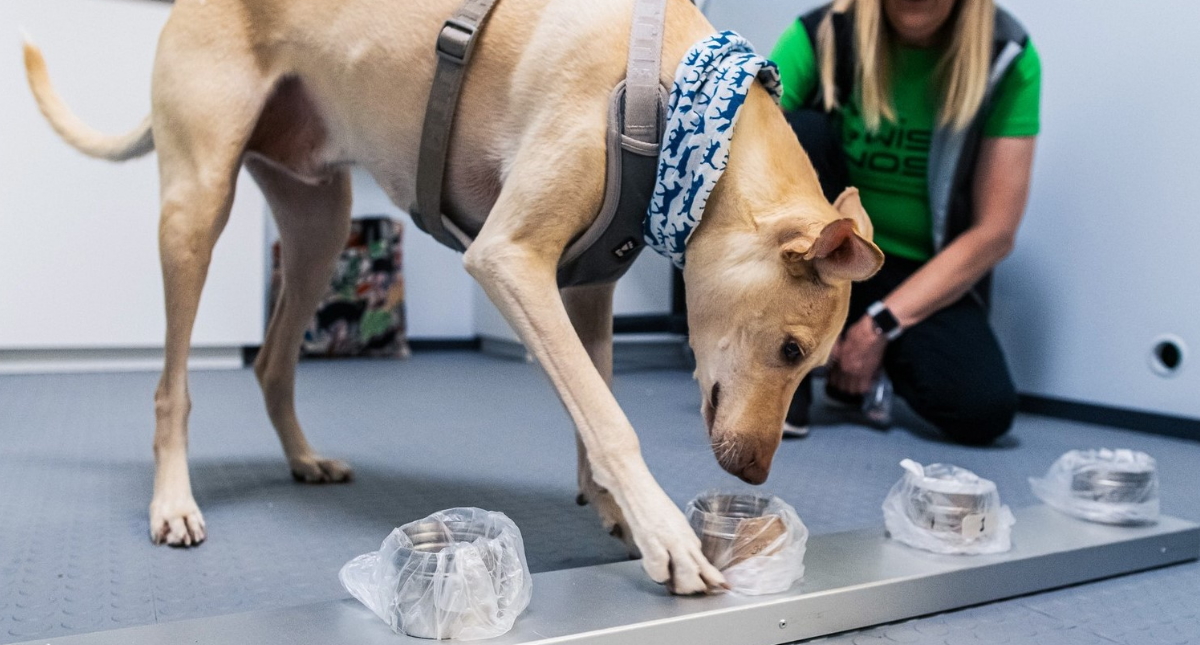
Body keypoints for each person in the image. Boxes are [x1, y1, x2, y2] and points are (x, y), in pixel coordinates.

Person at [771, 0, 1040, 444]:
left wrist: (879, 326)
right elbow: (742, 150)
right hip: (822, 256)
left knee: (982, 410)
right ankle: (788, 368)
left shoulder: (1007, 54)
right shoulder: (821, 32)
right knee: (797, 128)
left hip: (916, 274)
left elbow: (995, 232)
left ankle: (864, 362)